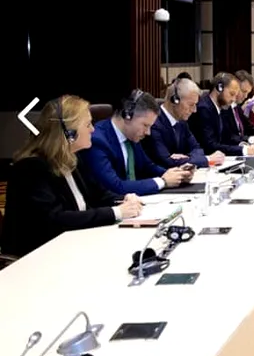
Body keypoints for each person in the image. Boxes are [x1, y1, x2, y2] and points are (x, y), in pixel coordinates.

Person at [1, 96, 143, 258]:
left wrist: (124, 199)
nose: (93, 130)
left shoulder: (72, 157)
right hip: (37, 257)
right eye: (88, 124)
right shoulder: (31, 167)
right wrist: (116, 212)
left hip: (72, 245)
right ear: (69, 133)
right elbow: (55, 220)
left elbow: (99, 194)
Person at [81, 90, 194, 196]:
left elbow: (147, 166)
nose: (148, 132)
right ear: (127, 115)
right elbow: (115, 186)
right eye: (145, 125)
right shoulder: (97, 141)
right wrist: (163, 181)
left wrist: (176, 175)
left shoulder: (131, 135)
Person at [144, 78, 225, 168]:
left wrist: (187, 158)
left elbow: (197, 149)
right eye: (191, 105)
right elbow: (166, 161)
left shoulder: (182, 122)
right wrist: (207, 159)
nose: (194, 110)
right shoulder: (154, 123)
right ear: (175, 100)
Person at [188, 72, 254, 157]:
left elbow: (227, 138)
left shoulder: (219, 107)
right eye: (232, 94)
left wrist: (247, 146)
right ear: (219, 88)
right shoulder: (204, 109)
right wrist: (245, 150)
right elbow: (210, 146)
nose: (233, 99)